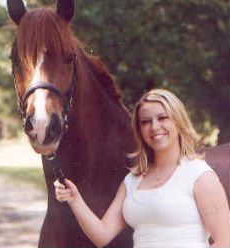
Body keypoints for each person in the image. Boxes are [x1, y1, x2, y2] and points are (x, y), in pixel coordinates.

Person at [54, 88, 230, 248]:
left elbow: (224, 241)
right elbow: (102, 235)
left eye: (162, 118)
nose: (154, 127)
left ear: (178, 122)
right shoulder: (132, 181)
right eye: (146, 121)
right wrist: (74, 199)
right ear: (139, 130)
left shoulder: (199, 174)